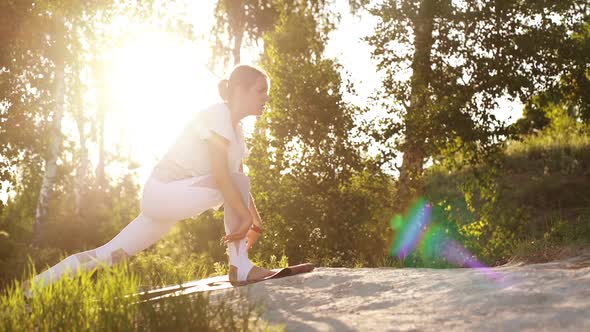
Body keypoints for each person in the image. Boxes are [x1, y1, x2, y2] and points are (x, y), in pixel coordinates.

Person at [28, 64, 275, 291]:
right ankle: (239, 266)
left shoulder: (236, 131)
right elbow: (223, 176)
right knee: (231, 183)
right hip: (165, 192)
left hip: (169, 197)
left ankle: (33, 287)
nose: (266, 97)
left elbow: (239, 178)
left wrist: (255, 221)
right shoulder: (218, 115)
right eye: (261, 90)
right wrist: (244, 217)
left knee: (111, 254)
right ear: (240, 91)